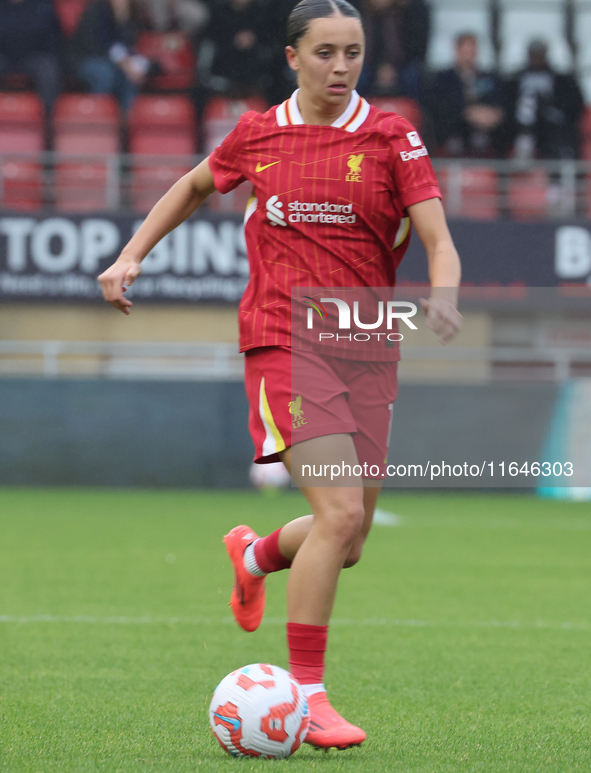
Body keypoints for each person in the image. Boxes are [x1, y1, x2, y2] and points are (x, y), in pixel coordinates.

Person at [98, 0, 462, 750]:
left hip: (366, 342)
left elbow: (436, 236)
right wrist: (133, 251)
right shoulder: (258, 132)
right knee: (336, 515)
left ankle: (255, 553)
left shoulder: (392, 135)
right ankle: (306, 694)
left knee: (350, 534)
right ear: (292, 56)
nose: (339, 67)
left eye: (352, 53)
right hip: (282, 337)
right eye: (324, 52)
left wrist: (446, 291)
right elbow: (196, 185)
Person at [429, 32, 506, 158]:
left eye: (472, 51)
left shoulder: (488, 77)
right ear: (457, 51)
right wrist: (467, 112)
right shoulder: (444, 78)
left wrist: (495, 113)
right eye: (466, 52)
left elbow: (498, 100)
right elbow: (441, 104)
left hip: (487, 128)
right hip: (456, 129)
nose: (470, 56)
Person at [507, 39, 584, 160]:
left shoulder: (564, 81)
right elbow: (507, 104)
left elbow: (575, 105)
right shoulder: (514, 80)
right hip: (520, 126)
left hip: (553, 128)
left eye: (540, 54)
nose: (537, 58)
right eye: (534, 54)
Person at [72, 0, 153, 112]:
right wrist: (123, 63)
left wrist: (122, 17)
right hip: (85, 59)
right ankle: (99, 115)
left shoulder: (134, 14)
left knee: (129, 76)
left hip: (115, 62)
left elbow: (135, 46)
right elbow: (92, 45)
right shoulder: (96, 10)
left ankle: (127, 120)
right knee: (104, 73)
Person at [0, 0, 63, 113]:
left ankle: (48, 118)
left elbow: (53, 41)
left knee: (48, 68)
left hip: (33, 57)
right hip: (4, 56)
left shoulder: (43, 7)